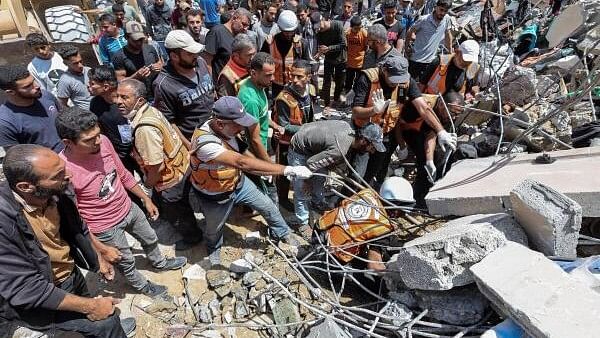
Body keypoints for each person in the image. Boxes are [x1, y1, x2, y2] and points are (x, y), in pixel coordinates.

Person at [0, 144, 133, 338]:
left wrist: (99, 255)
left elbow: (78, 226)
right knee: (105, 322)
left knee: (98, 321)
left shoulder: (54, 191)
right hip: (47, 293)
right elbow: (25, 287)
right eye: (58, 175)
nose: (69, 175)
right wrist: (92, 307)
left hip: (71, 273)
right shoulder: (4, 222)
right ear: (25, 187)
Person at [56, 107, 187, 298]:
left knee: (150, 237)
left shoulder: (104, 143)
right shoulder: (63, 171)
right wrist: (100, 249)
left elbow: (123, 174)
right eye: (89, 140)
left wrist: (145, 199)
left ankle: (159, 262)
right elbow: (75, 220)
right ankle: (143, 286)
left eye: (98, 134)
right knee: (125, 262)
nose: (97, 141)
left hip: (129, 208)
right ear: (68, 142)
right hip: (104, 227)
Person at [188, 96, 312, 265]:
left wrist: (264, 168)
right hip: (214, 195)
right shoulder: (206, 145)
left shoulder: (226, 129)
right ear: (220, 123)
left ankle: (283, 233)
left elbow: (242, 150)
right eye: (237, 123)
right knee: (214, 229)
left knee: (268, 206)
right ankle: (213, 247)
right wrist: (287, 170)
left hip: (238, 184)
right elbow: (242, 162)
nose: (241, 127)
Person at [117, 78, 202, 250]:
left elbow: (157, 167)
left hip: (169, 180)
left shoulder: (144, 129)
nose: (118, 101)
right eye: (117, 96)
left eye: (124, 97)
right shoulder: (150, 110)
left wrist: (148, 185)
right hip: (180, 166)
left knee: (177, 211)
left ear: (139, 100)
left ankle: (192, 237)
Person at [288, 121, 385, 227]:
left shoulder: (347, 127)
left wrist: (329, 162)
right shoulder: (340, 149)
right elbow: (310, 163)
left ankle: (317, 202)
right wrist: (306, 180)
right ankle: (303, 223)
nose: (372, 151)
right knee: (302, 190)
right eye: (372, 147)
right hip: (299, 150)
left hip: (311, 147)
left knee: (321, 178)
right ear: (363, 140)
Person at [154, 30, 215, 145]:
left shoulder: (200, 62)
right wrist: (189, 146)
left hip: (217, 128)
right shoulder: (163, 85)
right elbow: (169, 122)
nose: (196, 56)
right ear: (174, 56)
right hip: (198, 140)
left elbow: (211, 92)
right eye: (190, 54)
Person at [272, 59, 316, 209]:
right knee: (284, 171)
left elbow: (310, 113)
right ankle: (283, 199)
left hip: (303, 139)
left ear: (308, 77)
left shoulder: (310, 90)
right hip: (286, 141)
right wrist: (309, 130)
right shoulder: (283, 99)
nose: (295, 80)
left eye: (299, 76)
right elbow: (284, 125)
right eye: (293, 76)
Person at [237, 52, 279, 203]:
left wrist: (274, 125)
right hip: (255, 151)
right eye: (268, 75)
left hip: (261, 143)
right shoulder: (251, 99)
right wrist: (268, 164)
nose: (272, 79)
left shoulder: (259, 85)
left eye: (273, 74)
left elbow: (262, 116)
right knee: (267, 191)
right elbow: (254, 139)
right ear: (254, 73)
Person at [0, 65, 63, 152]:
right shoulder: (5, 123)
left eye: (33, 81)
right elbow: (17, 157)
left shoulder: (46, 96)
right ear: (11, 92)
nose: (37, 86)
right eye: (28, 86)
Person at [262, 10, 311, 98]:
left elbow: (307, 66)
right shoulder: (270, 42)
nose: (289, 34)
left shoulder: (301, 43)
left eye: (291, 31)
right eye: (286, 31)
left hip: (295, 85)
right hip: (276, 86)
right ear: (280, 28)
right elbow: (262, 64)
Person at [112, 20, 163, 102]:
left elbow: (160, 63)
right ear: (126, 37)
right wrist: (136, 76)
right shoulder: (119, 56)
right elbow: (120, 81)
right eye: (135, 40)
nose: (139, 43)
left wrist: (159, 67)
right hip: (140, 99)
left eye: (141, 39)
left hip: (158, 93)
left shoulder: (150, 48)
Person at [406, 0, 453, 85]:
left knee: (426, 86)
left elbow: (448, 35)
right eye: (441, 10)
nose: (442, 13)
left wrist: (450, 52)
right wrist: (406, 48)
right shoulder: (424, 20)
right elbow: (410, 31)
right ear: (435, 7)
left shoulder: (447, 19)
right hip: (416, 60)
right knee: (411, 86)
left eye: (445, 11)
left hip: (431, 61)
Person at [204, 8, 252, 81]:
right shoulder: (217, 32)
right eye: (243, 24)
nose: (245, 28)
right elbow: (207, 62)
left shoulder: (240, 35)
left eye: (247, 26)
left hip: (236, 82)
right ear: (234, 18)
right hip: (222, 84)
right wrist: (212, 85)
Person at [312, 12, 347, 108]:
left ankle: (336, 100)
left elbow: (344, 44)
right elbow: (321, 44)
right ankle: (327, 103)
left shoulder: (337, 25)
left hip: (341, 59)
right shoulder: (318, 32)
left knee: (339, 82)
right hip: (328, 59)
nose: (318, 28)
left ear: (323, 19)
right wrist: (320, 52)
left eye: (319, 25)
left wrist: (329, 48)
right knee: (326, 82)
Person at [56, 45, 92, 110]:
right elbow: (62, 104)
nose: (80, 65)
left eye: (80, 61)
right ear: (65, 63)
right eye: (75, 63)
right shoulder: (65, 81)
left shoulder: (89, 70)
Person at [345, 16, 368, 95]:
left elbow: (366, 47)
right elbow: (345, 46)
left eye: (359, 28)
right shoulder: (347, 34)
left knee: (358, 82)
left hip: (360, 63)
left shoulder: (364, 33)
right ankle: (347, 97)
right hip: (350, 62)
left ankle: (357, 96)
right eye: (356, 28)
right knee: (348, 81)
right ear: (351, 27)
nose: (358, 30)